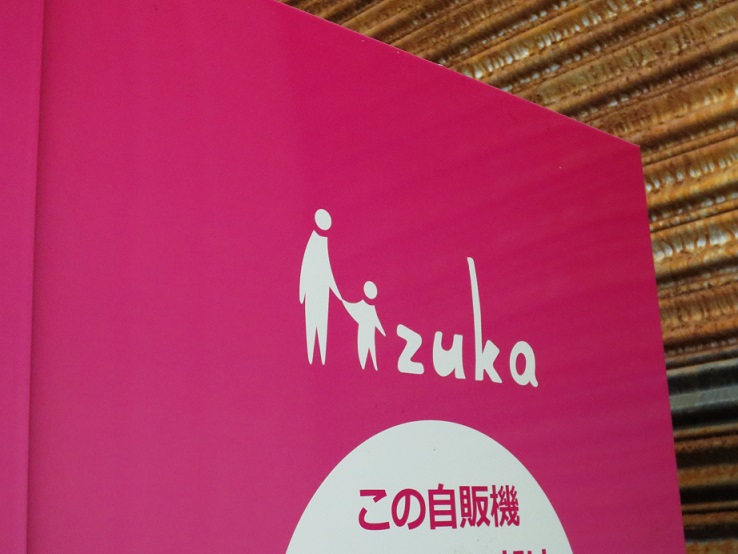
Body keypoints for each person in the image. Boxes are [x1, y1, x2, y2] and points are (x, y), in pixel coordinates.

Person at [299, 209, 341, 365]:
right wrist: (302, 292)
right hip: (313, 291)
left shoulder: (323, 242)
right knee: (311, 325)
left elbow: (328, 272)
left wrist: (337, 293)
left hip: (323, 293)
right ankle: (312, 356)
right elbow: (306, 267)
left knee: (322, 325)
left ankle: (321, 358)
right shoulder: (314, 242)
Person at [343, 281, 385, 370]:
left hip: (370, 333)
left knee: (372, 351)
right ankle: (365, 367)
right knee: (363, 350)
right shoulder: (362, 306)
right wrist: (343, 300)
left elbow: (377, 322)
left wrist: (383, 333)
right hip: (363, 333)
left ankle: (373, 367)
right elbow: (349, 306)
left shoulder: (371, 308)